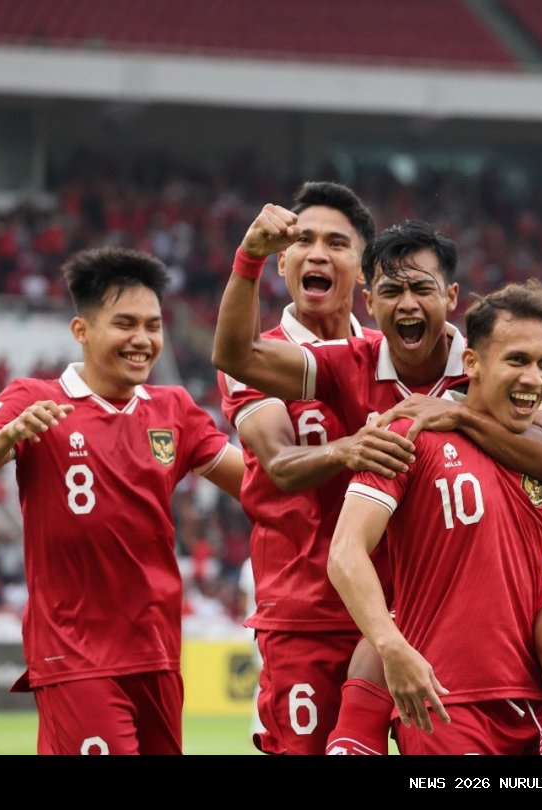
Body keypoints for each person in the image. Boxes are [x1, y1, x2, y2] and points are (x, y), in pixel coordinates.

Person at [214, 214, 542, 752]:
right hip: (362, 598)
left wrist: (456, 415)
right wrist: (248, 260)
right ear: (370, 301)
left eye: (422, 289)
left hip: (468, 593)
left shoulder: (500, 364)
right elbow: (236, 356)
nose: (407, 304)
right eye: (392, 290)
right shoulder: (349, 365)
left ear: (451, 296)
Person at [0, 247, 244, 755]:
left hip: (158, 657)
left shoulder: (174, 408)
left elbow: (258, 487)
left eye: (153, 325)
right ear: (81, 331)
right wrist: (5, 439)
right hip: (76, 657)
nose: (142, 339)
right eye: (125, 323)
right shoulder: (32, 398)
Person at [327, 280, 542, 754]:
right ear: (472, 363)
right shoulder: (410, 432)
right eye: (517, 360)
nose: (534, 378)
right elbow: (344, 552)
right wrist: (392, 647)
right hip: (444, 700)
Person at [217, 181, 414, 754]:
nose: (317, 253)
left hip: (401, 613)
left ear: (364, 270)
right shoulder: (258, 352)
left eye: (337, 242)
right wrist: (346, 449)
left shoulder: (391, 356)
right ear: (283, 262)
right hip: (307, 616)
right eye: (303, 240)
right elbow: (278, 462)